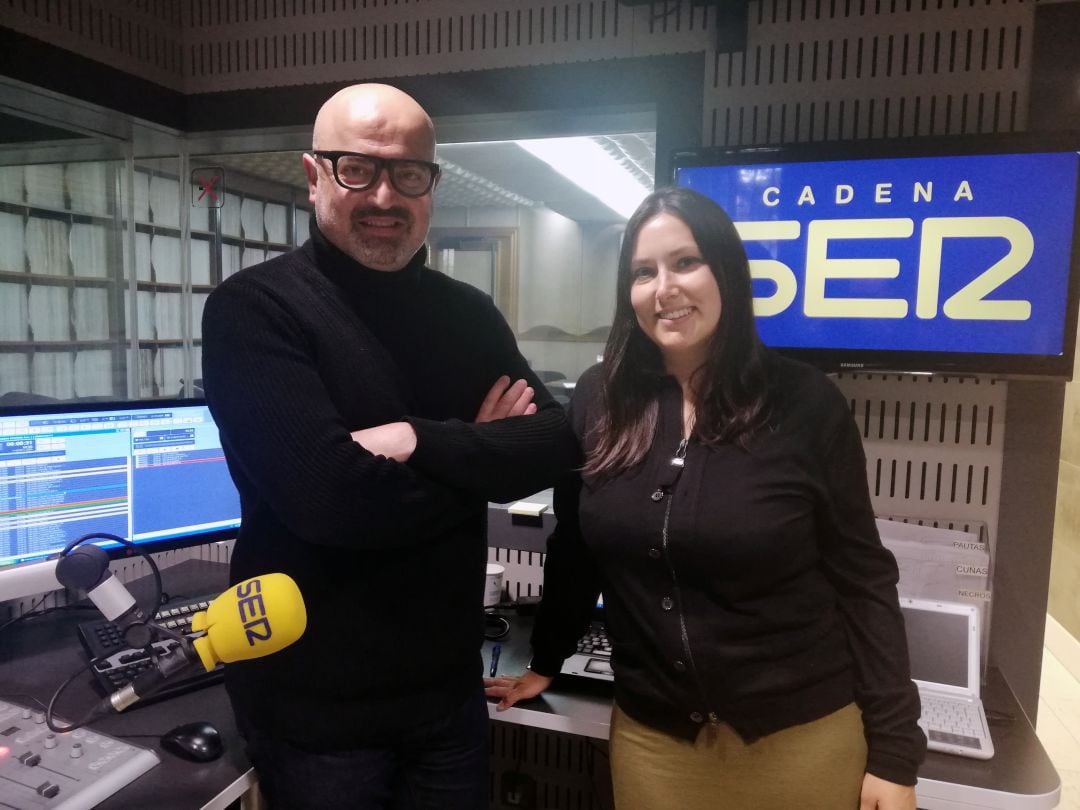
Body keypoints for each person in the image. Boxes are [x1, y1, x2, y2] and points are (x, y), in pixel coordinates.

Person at [484, 186, 927, 810]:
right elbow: (577, 549)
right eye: (643, 271)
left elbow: (863, 579)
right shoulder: (600, 399)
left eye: (686, 262)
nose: (664, 288)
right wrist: (546, 660)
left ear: (726, 271)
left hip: (801, 737)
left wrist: (894, 752)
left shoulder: (804, 403)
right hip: (656, 744)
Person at [201, 83, 575, 810]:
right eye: (357, 169)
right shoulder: (255, 312)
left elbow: (557, 439)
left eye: (408, 174)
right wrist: (482, 450)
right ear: (314, 176)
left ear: (431, 186)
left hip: (446, 700)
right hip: (319, 721)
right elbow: (335, 503)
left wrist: (416, 440)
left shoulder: (465, 313)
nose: (384, 195)